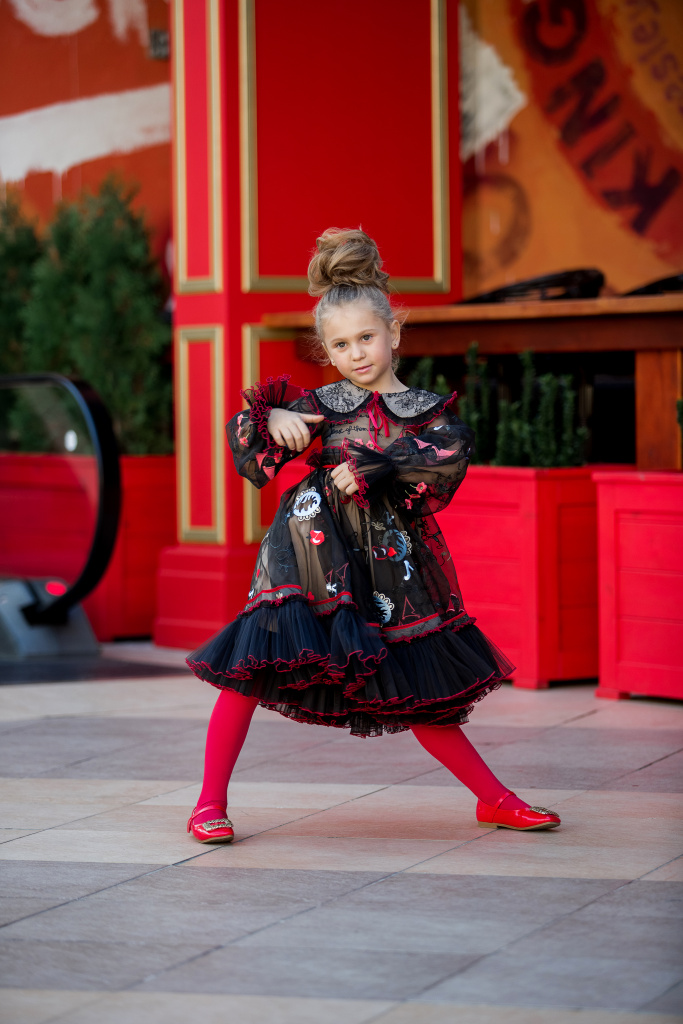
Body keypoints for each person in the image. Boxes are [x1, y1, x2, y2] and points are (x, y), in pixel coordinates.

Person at [186, 228, 560, 843]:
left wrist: (378, 464)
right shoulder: (322, 405)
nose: (356, 353)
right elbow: (250, 447)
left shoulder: (424, 412)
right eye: (340, 344)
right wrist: (273, 415)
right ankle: (208, 804)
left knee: (414, 683)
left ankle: (495, 799)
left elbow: (448, 456)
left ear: (394, 332)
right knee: (250, 666)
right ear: (326, 351)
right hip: (308, 556)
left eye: (366, 337)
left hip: (387, 567)